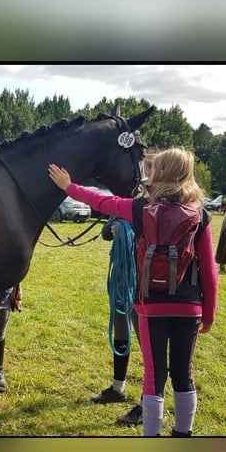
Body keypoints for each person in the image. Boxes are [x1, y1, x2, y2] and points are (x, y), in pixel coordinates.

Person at [49, 148, 218, 436]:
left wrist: (69, 187)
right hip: (189, 306)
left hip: (149, 305)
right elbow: (210, 273)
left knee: (154, 376)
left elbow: (101, 201)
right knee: (183, 374)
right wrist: (209, 314)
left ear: (159, 172)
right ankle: (183, 434)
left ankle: (151, 436)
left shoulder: (140, 209)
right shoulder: (200, 215)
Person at [92, 152, 158, 426]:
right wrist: (116, 227)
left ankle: (149, 402)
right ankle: (118, 387)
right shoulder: (132, 204)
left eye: (147, 173)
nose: (143, 179)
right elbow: (106, 231)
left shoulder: (157, 208)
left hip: (144, 285)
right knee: (121, 330)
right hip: (121, 280)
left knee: (148, 344)